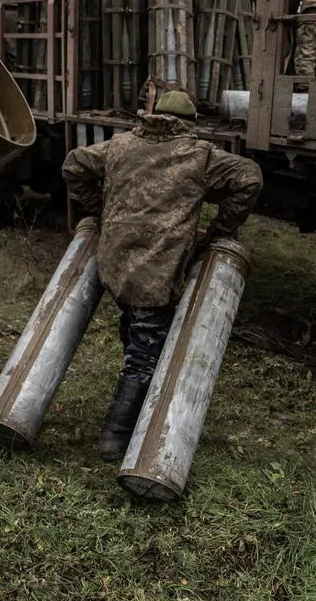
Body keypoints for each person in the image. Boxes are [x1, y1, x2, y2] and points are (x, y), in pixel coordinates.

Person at [62, 90, 263, 461]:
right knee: (145, 354)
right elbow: (249, 177)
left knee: (137, 331)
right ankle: (114, 436)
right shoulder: (198, 154)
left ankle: (132, 412)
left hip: (116, 266)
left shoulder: (119, 146)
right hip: (159, 269)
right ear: (189, 125)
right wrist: (221, 230)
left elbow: (73, 164)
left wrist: (102, 212)